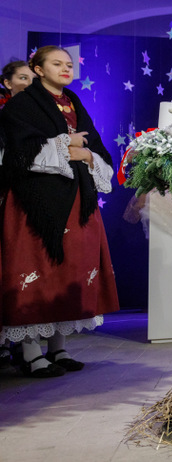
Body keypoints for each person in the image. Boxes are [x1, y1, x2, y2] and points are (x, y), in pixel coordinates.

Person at [0, 46, 119, 377]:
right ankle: (30, 353)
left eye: (69, 64)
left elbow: (94, 147)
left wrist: (86, 155)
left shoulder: (74, 103)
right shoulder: (22, 105)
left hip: (75, 199)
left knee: (68, 272)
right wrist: (66, 145)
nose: (66, 69)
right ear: (38, 69)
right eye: (57, 64)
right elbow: (19, 152)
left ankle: (58, 348)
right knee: (35, 272)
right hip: (36, 203)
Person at [1, 59, 37, 367]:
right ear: (7, 83)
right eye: (22, 78)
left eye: (31, 78)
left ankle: (30, 347)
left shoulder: (42, 117)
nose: (28, 83)